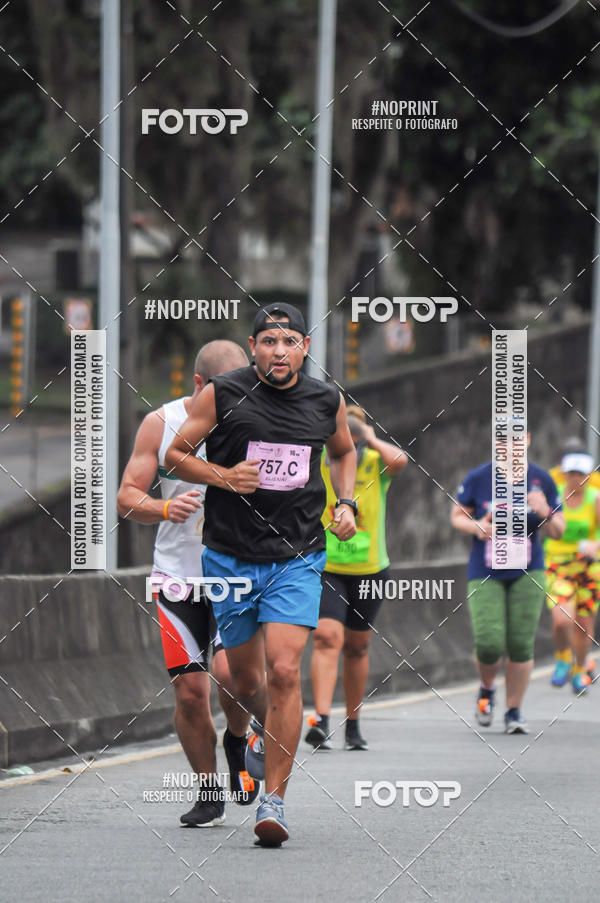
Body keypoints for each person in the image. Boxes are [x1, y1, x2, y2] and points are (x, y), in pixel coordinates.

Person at [165, 302, 357, 847]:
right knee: (243, 681)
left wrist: (346, 503)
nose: (279, 350)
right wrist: (224, 477)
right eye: (269, 341)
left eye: (289, 341)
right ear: (254, 348)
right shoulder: (223, 393)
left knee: (284, 672)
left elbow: (344, 452)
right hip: (228, 557)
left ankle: (273, 801)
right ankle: (253, 735)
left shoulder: (325, 399)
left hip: (297, 556)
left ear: (304, 348)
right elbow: (175, 456)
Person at [117, 339, 258, 828]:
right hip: (179, 578)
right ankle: (208, 791)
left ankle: (237, 739)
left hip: (237, 574)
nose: (234, 398)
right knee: (190, 693)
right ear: (199, 386)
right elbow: (126, 497)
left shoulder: (259, 419)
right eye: (223, 390)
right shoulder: (161, 423)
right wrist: (162, 507)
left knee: (230, 677)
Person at [305, 405, 407, 752]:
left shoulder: (376, 463)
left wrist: (372, 438)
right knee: (326, 637)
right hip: (327, 565)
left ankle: (354, 723)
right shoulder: (324, 460)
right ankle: (320, 718)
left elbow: (400, 461)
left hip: (370, 569)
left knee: (357, 646)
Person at [450, 434, 565, 734]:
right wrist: (476, 525)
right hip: (486, 569)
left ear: (527, 440)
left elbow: (558, 530)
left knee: (520, 643)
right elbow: (457, 516)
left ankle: (514, 710)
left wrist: (545, 511)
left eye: (516, 438)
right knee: (489, 643)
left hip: (528, 570)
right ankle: (487, 688)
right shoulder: (479, 478)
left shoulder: (541, 479)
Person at [545, 449, 600, 693]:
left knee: (584, 624)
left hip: (589, 568)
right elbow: (549, 531)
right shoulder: (554, 498)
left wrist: (595, 545)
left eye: (582, 474)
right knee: (561, 619)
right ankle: (562, 657)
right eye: (572, 474)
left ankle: (579, 670)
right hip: (559, 565)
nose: (577, 479)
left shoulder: (595, 499)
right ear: (565, 475)